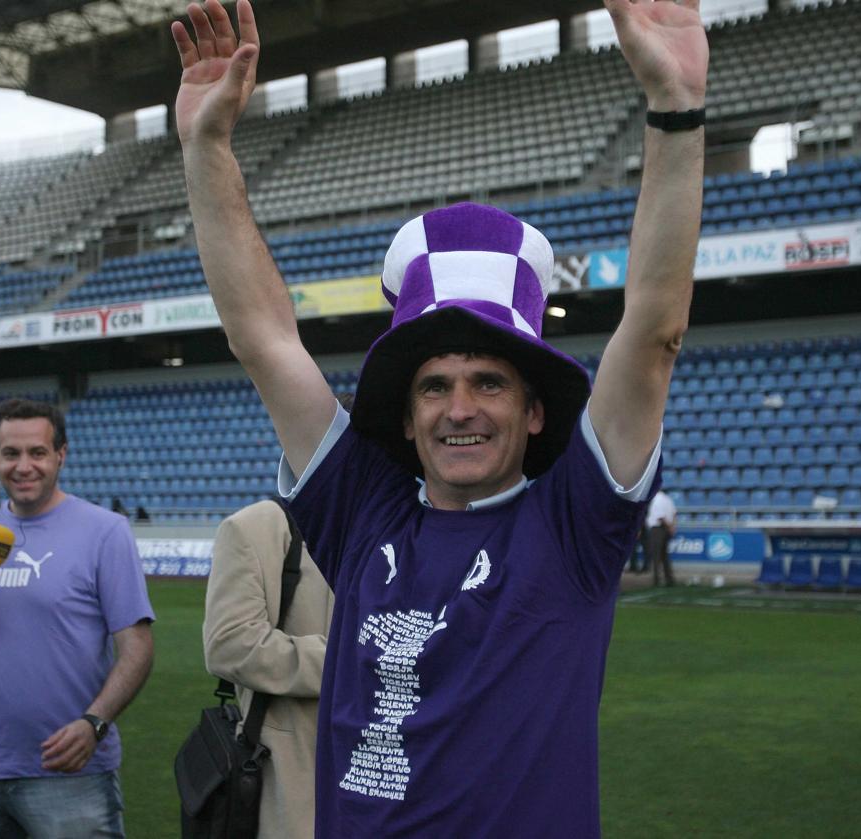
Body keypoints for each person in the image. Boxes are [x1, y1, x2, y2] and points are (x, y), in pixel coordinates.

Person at [171, 0, 705, 834]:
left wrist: (675, 113)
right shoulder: (364, 510)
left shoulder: (574, 525)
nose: (460, 409)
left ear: (534, 412)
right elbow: (264, 338)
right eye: (434, 385)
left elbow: (654, 331)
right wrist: (206, 150)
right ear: (407, 412)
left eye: (490, 382)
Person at [0, 398, 155, 838]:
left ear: (61, 454)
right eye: (11, 454)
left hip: (68, 772)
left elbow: (136, 649)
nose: (24, 466)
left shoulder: (105, 531)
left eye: (37, 453)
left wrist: (94, 723)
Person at [203, 499, 334, 839]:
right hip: (294, 782)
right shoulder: (258, 526)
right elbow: (229, 644)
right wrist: (348, 661)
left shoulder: (410, 523)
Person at [644, 488, 678, 586]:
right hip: (666, 529)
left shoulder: (657, 500)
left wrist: (669, 526)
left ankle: (656, 579)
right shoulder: (668, 499)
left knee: (656, 555)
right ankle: (669, 579)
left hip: (657, 529)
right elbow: (674, 513)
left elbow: (660, 516)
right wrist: (672, 527)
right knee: (665, 556)